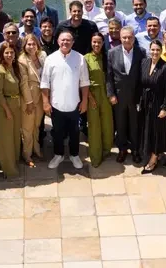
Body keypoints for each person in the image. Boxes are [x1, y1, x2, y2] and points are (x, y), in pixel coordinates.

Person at [41, 31, 90, 169]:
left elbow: (84, 82)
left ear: (73, 42)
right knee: (57, 132)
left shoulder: (80, 58)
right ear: (58, 41)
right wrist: (45, 102)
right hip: (56, 104)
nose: (65, 42)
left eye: (68, 40)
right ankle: (58, 155)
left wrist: (84, 100)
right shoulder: (50, 59)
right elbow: (44, 83)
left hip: (74, 104)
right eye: (62, 40)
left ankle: (74, 155)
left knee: (75, 132)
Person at [107, 26, 145, 164]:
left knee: (135, 125)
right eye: (124, 37)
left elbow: (142, 75)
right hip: (119, 96)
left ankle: (135, 150)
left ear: (134, 38)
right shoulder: (112, 53)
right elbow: (109, 76)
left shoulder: (141, 52)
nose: (127, 40)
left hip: (135, 96)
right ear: (120, 38)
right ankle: (122, 149)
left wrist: (141, 96)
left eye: (129, 37)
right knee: (121, 124)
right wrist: (111, 94)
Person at [138, 40, 166, 174]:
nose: (155, 52)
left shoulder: (165, 67)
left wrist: (164, 107)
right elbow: (140, 84)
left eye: (158, 50)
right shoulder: (144, 63)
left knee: (156, 132)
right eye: (153, 49)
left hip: (158, 103)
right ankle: (150, 153)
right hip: (145, 103)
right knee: (147, 129)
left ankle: (154, 159)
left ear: (161, 51)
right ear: (149, 50)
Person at [0, 45, 23, 177]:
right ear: (2, 54)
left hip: (16, 105)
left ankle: (14, 162)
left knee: (15, 136)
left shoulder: (15, 68)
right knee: (6, 138)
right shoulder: (0, 70)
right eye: (6, 53)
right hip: (4, 107)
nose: (9, 55)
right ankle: (8, 168)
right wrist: (7, 110)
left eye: (12, 52)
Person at [85, 33, 114, 167]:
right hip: (93, 94)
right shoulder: (86, 58)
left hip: (106, 93)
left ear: (103, 43)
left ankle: (106, 150)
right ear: (91, 43)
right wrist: (90, 98)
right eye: (94, 42)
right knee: (94, 126)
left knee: (108, 124)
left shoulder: (107, 57)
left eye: (99, 42)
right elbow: (83, 81)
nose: (97, 44)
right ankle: (96, 156)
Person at [19, 35, 47, 166]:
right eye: (29, 44)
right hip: (29, 99)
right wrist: (29, 102)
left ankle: (37, 150)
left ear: (37, 45)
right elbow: (23, 84)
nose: (31, 47)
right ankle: (27, 154)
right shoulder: (22, 60)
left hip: (41, 98)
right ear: (24, 46)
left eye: (33, 44)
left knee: (37, 126)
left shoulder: (42, 56)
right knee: (27, 128)